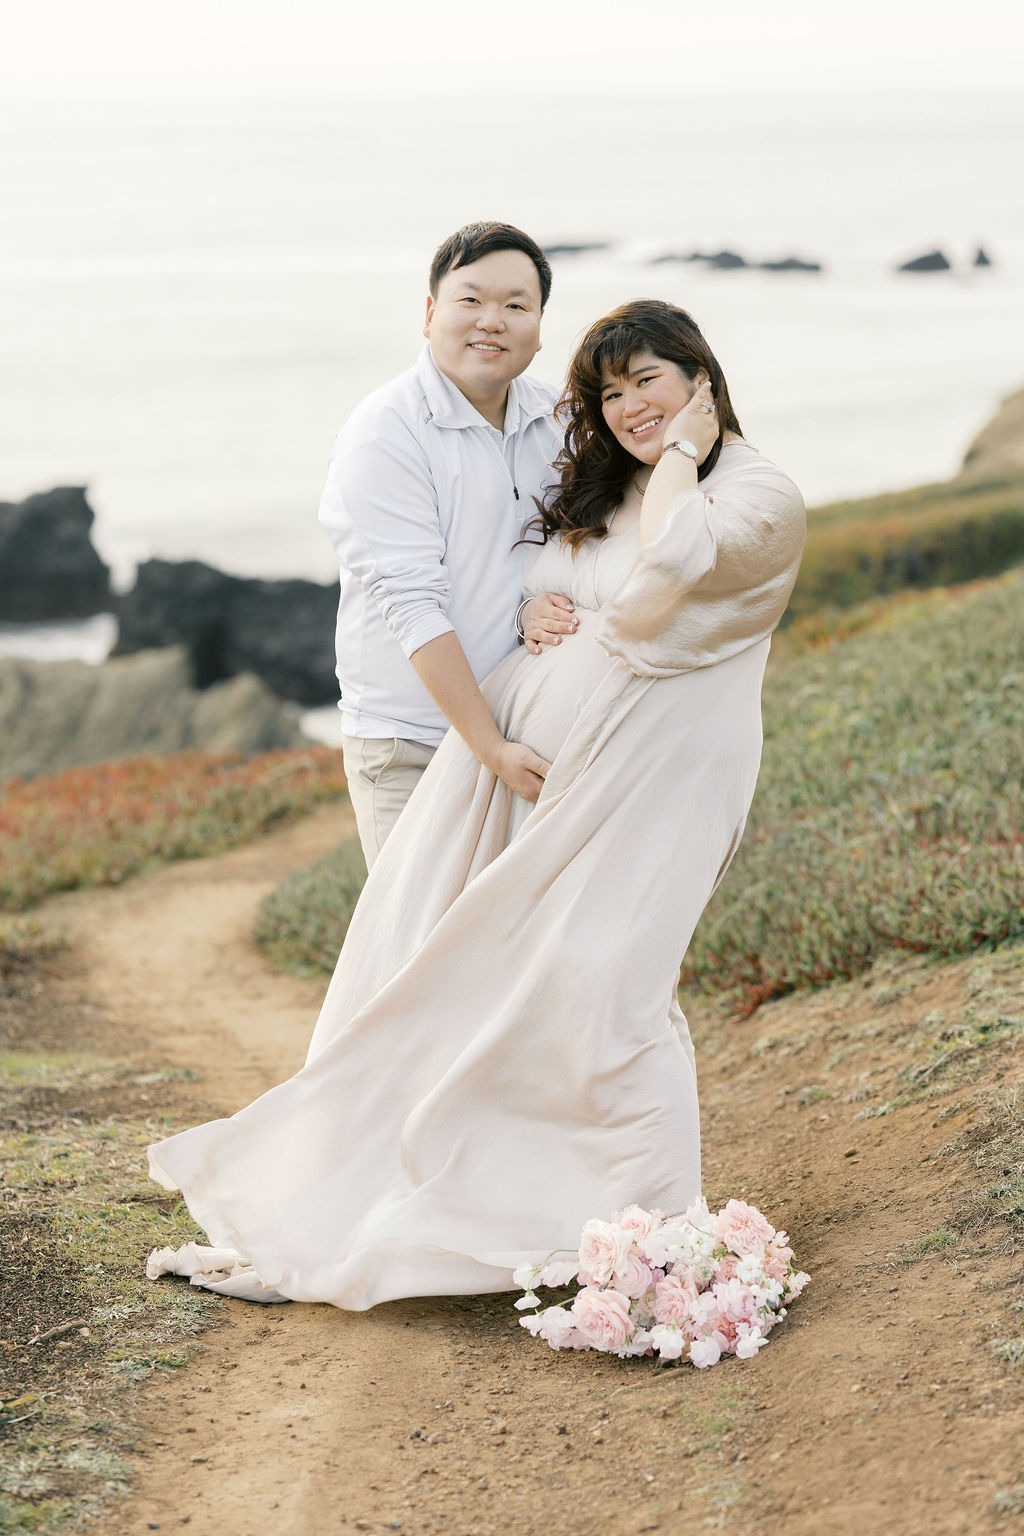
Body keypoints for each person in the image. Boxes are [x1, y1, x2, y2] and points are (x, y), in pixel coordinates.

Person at [147, 299, 806, 1310]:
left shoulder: (754, 488)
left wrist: (685, 451)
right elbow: (567, 581)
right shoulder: (614, 489)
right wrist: (540, 605)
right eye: (611, 390)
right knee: (500, 986)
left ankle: (658, 1241)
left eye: (650, 382)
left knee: (615, 986)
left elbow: (670, 571)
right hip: (542, 786)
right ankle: (499, 1213)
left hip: (662, 780)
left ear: (699, 382)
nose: (631, 406)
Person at [317, 220, 576, 869]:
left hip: (531, 725)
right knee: (418, 953)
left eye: (516, 305)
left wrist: (537, 599)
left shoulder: (561, 420)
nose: (492, 320)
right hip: (412, 746)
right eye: (471, 300)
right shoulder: (386, 431)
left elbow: (589, 544)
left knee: (515, 956)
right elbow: (413, 605)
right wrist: (489, 748)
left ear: (540, 329)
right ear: (431, 313)